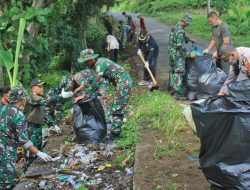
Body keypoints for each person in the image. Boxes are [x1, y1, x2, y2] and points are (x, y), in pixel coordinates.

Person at [0, 86, 52, 189]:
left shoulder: (2, 109)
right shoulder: (18, 115)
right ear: (22, 99)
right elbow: (24, 141)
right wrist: (38, 152)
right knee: (6, 183)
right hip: (7, 153)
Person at [76, 49, 133, 136]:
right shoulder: (98, 65)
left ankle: (115, 133)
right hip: (121, 83)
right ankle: (114, 131)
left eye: (86, 61)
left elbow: (96, 81)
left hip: (124, 82)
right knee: (116, 107)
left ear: (91, 59)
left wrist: (85, 94)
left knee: (117, 108)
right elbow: (92, 78)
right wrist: (81, 87)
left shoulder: (101, 63)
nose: (86, 64)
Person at [168, 14, 196, 100]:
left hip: (171, 53)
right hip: (178, 55)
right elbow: (180, 46)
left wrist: (188, 39)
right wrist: (189, 53)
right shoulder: (181, 30)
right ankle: (178, 93)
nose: (188, 25)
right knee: (179, 72)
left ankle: (172, 89)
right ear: (184, 21)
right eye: (188, 23)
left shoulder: (175, 26)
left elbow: (177, 37)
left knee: (173, 71)